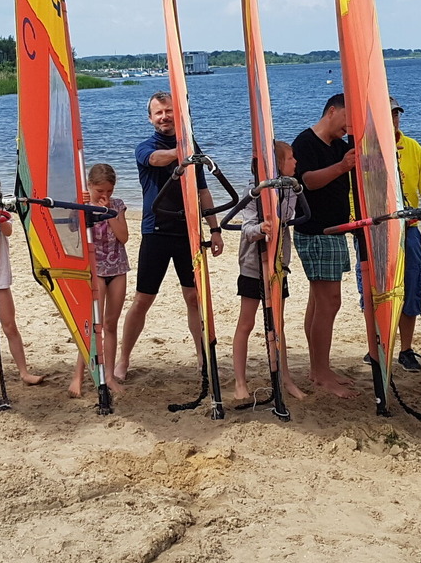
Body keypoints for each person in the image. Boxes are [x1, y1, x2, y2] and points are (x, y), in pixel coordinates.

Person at [118, 91, 225, 383]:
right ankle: (123, 360)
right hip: (156, 231)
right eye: (159, 113)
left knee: (193, 297)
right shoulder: (146, 147)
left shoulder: (191, 147)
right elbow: (156, 159)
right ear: (150, 118)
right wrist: (185, 152)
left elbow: (203, 191)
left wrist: (214, 229)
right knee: (143, 299)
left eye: (168, 111)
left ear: (177, 115)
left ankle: (202, 356)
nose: (164, 117)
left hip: (187, 232)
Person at [292, 93, 359, 396]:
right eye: (346, 120)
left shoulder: (339, 146)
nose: (348, 128)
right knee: (330, 302)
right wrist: (342, 167)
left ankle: (318, 367)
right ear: (332, 111)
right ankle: (321, 372)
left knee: (319, 302)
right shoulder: (306, 142)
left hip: (334, 231)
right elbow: (307, 181)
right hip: (316, 231)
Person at [232, 141, 309, 402]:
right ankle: (240, 382)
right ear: (277, 164)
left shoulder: (291, 189)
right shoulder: (252, 191)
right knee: (247, 322)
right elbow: (247, 228)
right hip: (253, 265)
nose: (296, 162)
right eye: (291, 158)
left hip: (278, 264)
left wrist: (282, 201)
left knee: (278, 323)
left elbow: (286, 217)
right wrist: (261, 228)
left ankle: (285, 378)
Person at [0, 168, 43, 386]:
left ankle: (24, 372)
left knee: (9, 326)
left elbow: (7, 230)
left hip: (0, 278)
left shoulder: (0, 213)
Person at [71, 163, 129, 398]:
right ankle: (78, 376)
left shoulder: (117, 205)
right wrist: (84, 208)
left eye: (109, 191)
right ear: (90, 186)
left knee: (110, 323)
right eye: (100, 191)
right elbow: (72, 232)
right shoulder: (82, 204)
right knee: (91, 324)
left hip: (117, 267)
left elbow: (123, 236)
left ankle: (109, 376)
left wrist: (107, 211)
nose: (105, 195)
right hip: (95, 269)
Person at [392, 100, 421, 373]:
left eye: (396, 114)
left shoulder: (412, 147)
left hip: (408, 229)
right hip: (376, 231)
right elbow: (353, 190)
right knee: (375, 291)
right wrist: (353, 219)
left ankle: (405, 349)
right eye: (388, 115)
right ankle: (377, 346)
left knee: (412, 287)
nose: (393, 119)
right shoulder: (364, 149)